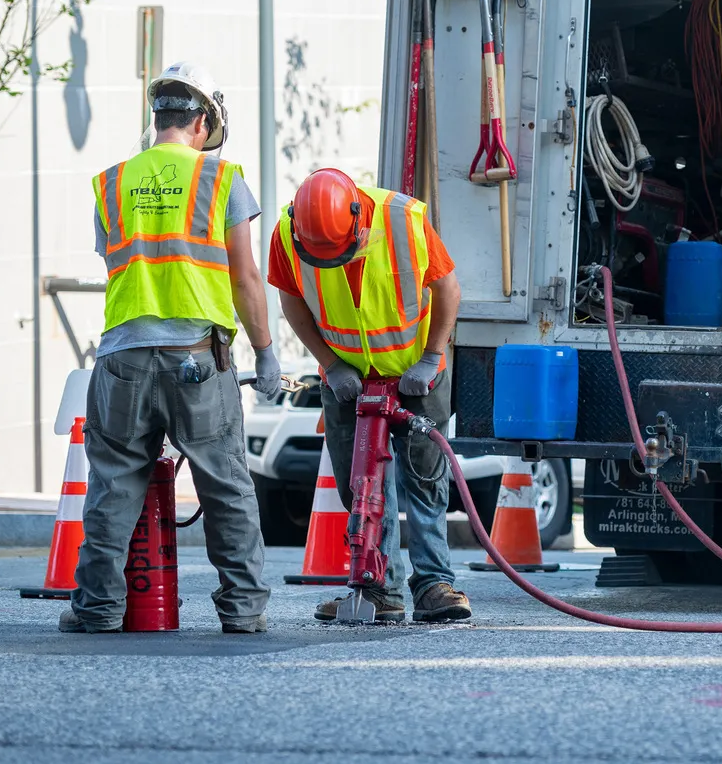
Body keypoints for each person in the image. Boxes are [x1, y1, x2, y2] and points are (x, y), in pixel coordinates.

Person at [61, 61, 282, 634]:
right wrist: (265, 352)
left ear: (157, 118)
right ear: (203, 121)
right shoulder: (223, 179)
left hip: (123, 357)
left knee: (113, 485)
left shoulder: (111, 183)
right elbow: (245, 278)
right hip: (197, 358)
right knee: (226, 482)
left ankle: (99, 610)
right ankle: (242, 610)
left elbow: (114, 260)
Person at [268, 167, 469, 623]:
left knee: (424, 479)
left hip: (415, 370)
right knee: (360, 484)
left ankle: (434, 584)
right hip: (347, 378)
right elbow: (292, 299)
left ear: (359, 219)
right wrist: (332, 364)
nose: (334, 263)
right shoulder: (287, 231)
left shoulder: (405, 220)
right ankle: (380, 589)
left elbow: (447, 289)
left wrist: (432, 358)